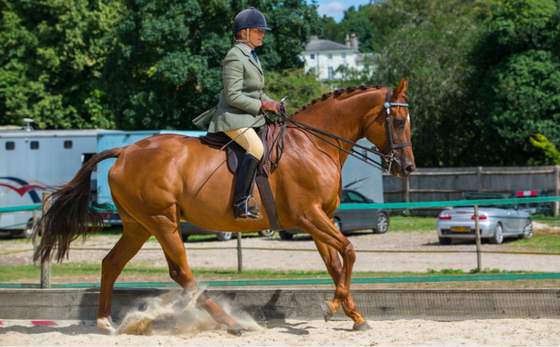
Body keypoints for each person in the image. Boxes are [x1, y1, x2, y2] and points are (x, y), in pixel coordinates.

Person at [193, 7, 283, 220]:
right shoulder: (234, 56)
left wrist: (273, 103)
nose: (262, 34)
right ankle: (240, 203)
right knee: (256, 147)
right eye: (258, 31)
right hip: (232, 117)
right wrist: (262, 105)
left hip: (248, 116)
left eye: (262, 31)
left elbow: (257, 91)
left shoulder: (251, 55)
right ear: (244, 33)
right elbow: (233, 96)